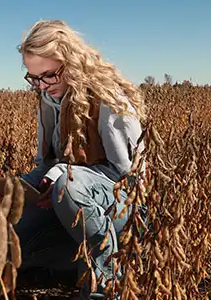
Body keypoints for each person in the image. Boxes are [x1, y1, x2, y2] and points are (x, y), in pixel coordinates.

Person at [15, 19, 146, 299]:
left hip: (121, 207)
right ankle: (61, 261)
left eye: (48, 75)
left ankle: (106, 283)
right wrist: (26, 184)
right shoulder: (50, 100)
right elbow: (46, 164)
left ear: (71, 62)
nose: (41, 85)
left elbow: (128, 175)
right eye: (34, 78)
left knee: (68, 185)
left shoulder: (109, 98)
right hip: (75, 205)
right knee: (17, 212)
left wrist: (63, 174)